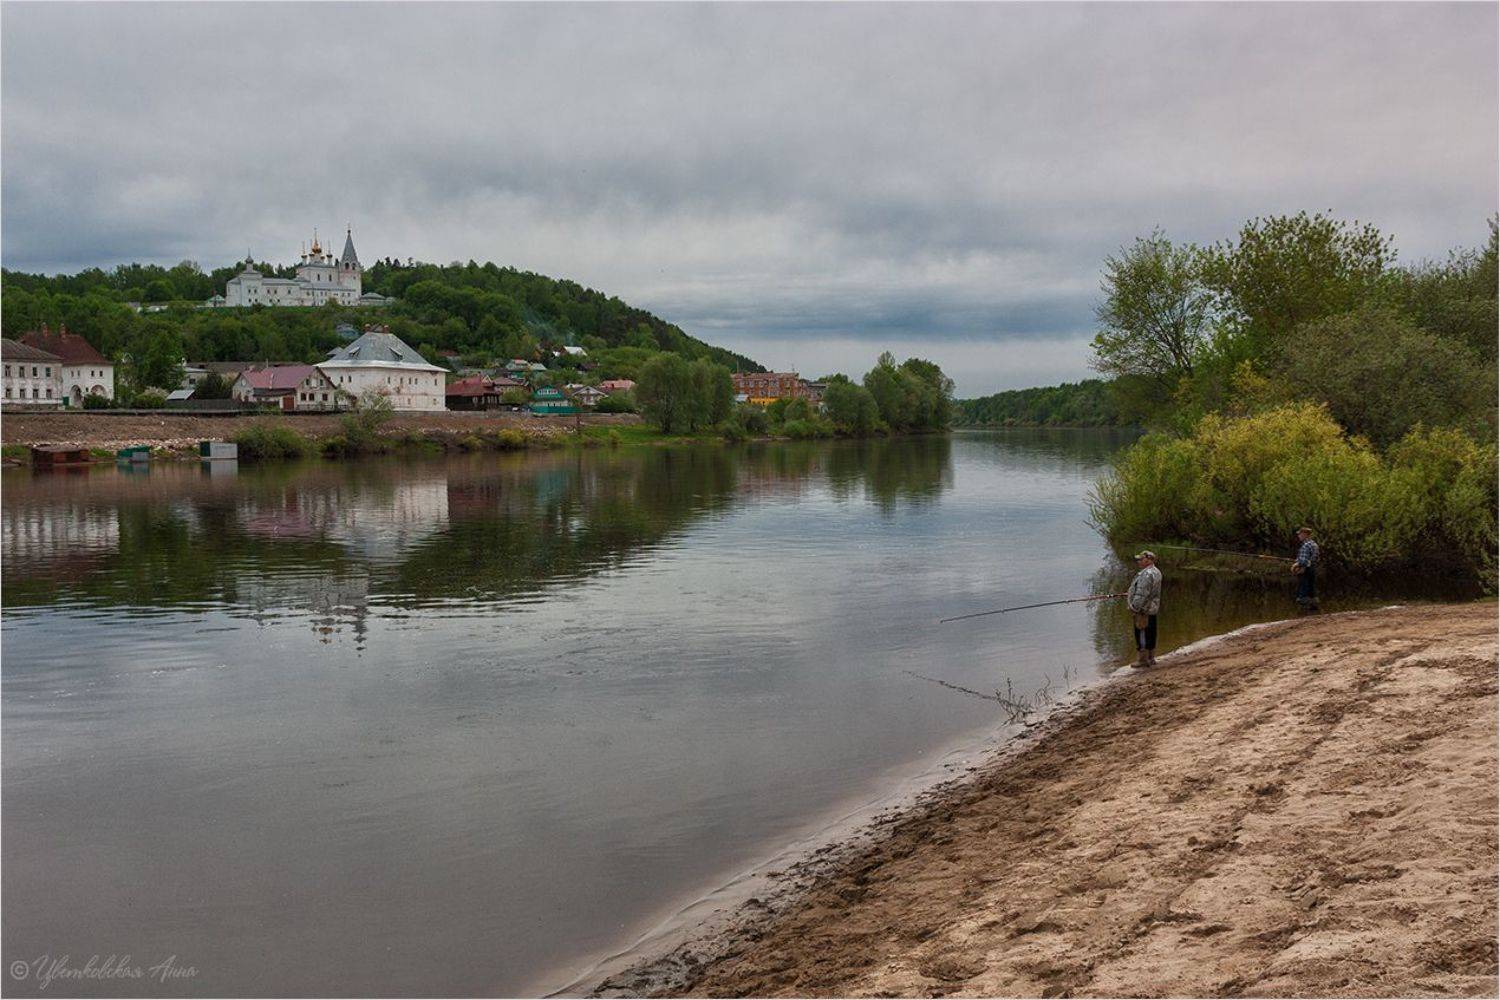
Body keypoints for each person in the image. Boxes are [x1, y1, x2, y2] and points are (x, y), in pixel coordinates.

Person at [1127, 550, 1162, 667]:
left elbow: (1142, 594)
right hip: (1152, 609)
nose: (1139, 562)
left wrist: (1134, 607)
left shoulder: (1146, 574)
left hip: (1143, 611)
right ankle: (1151, 658)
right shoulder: (1156, 572)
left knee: (1142, 633)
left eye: (1141, 559)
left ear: (1148, 560)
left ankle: (1143, 660)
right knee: (1151, 633)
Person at [1292, 527, 1320, 610]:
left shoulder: (1306, 545)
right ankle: (1314, 610)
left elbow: (1304, 561)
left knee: (1302, 596)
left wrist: (1296, 565)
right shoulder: (1314, 544)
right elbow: (1315, 558)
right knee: (1311, 591)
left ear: (1305, 534)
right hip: (1312, 569)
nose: (1298, 536)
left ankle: (1305, 611)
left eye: (1300, 534)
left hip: (1305, 570)